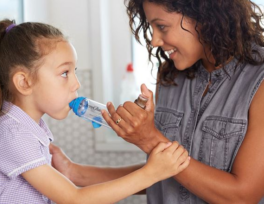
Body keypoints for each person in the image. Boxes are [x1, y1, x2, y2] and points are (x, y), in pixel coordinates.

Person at [50, 0, 264, 203]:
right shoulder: (170, 76)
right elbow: (163, 175)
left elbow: (242, 197)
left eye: (161, 26)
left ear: (204, 16)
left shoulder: (259, 80)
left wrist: (149, 139)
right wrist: (73, 172)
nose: (154, 41)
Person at [0, 19, 190, 204]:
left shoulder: (28, 129)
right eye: (65, 73)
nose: (76, 84)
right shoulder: (13, 135)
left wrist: (154, 171)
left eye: (74, 71)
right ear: (24, 82)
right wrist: (150, 174)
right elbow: (74, 198)